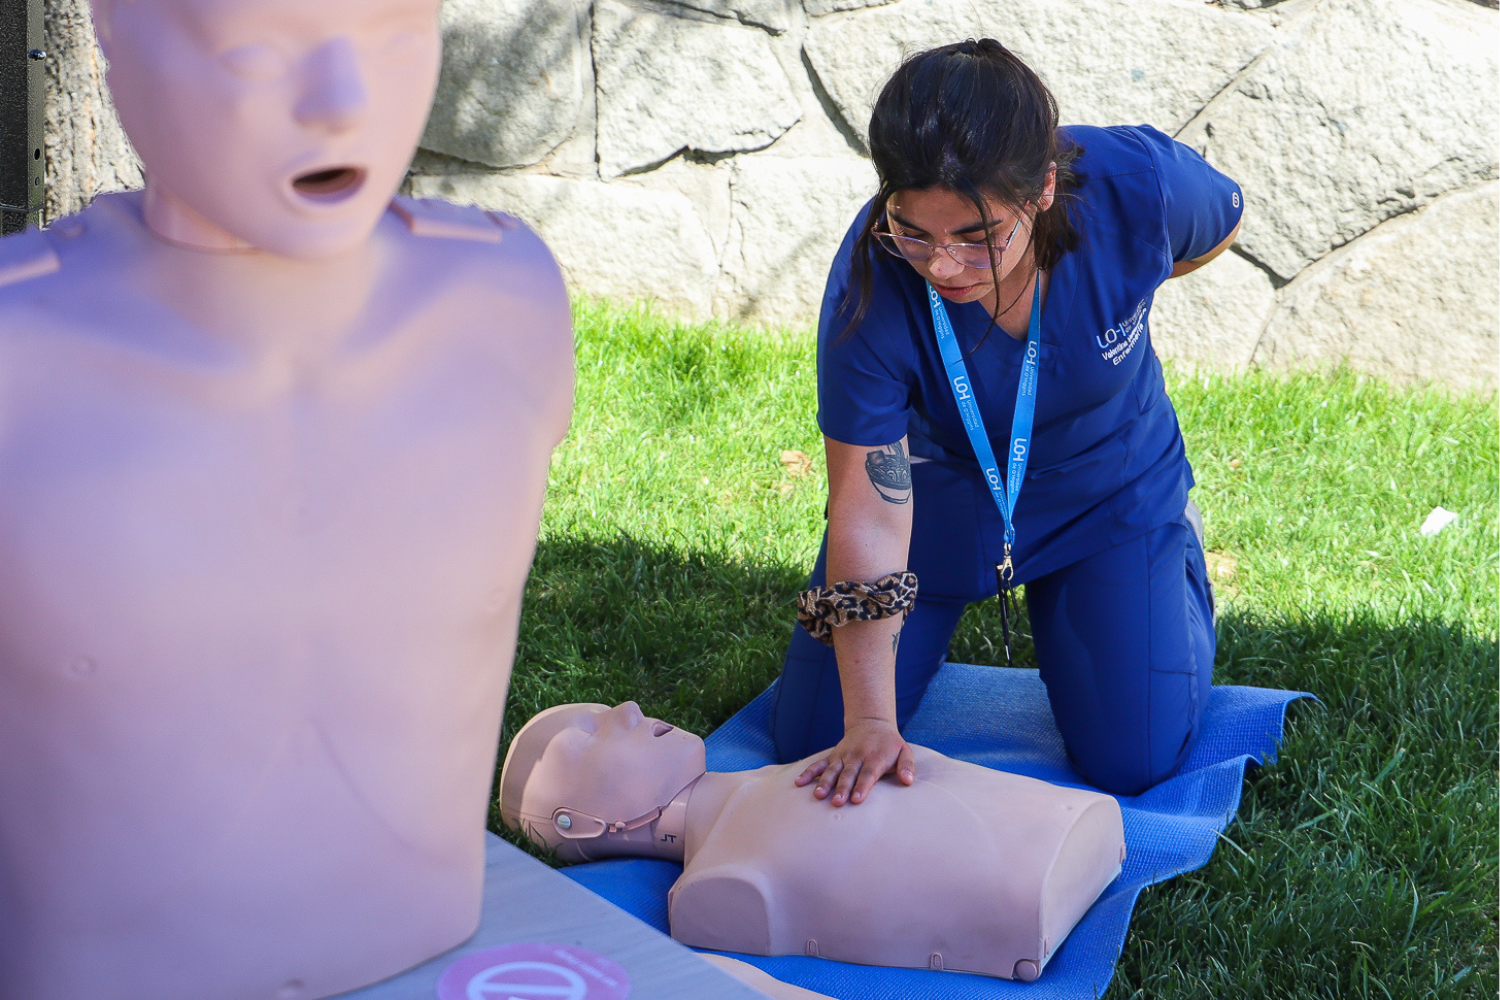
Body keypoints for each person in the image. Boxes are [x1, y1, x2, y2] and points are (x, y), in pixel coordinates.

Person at [0, 0, 572, 998]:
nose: (344, 104)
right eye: (257, 53)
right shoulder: (19, 356)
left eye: (395, 35)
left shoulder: (507, 302)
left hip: (428, 933)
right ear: (112, 35)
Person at [771, 39, 1241, 806]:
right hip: (940, 502)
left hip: (1109, 487)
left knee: (1136, 758)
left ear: (1044, 188)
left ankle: (1162, 553)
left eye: (976, 237)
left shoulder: (1138, 184)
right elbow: (866, 503)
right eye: (913, 230)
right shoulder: (868, 286)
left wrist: (1117, 296)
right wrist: (870, 721)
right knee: (821, 742)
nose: (942, 266)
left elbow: (1216, 229)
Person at [500, 701, 1125, 983]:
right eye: (588, 734)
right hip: (1034, 895)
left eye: (606, 706)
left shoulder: (771, 785)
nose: (630, 709)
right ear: (575, 826)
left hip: (1072, 825)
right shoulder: (715, 887)